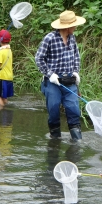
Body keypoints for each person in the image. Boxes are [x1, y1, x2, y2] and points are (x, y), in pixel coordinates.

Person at [34, 10, 86, 140]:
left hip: (69, 80)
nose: (75, 27)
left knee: (73, 110)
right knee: (54, 110)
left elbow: (76, 57)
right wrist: (50, 74)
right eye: (74, 25)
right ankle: (54, 140)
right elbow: (39, 58)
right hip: (53, 82)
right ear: (67, 27)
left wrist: (75, 71)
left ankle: (77, 142)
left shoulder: (72, 38)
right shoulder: (49, 38)